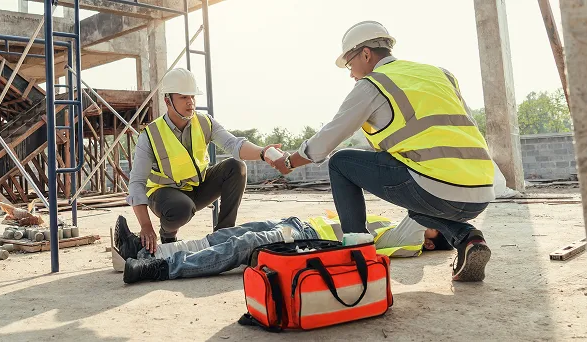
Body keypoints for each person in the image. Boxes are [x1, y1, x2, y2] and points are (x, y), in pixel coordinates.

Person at [268, 21, 494, 282]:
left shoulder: (373, 85)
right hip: (481, 189)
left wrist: (289, 161)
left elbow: (327, 139)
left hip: (435, 187)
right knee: (416, 205)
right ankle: (468, 238)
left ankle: (357, 250)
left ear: (366, 54)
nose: (352, 74)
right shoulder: (440, 73)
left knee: (340, 162)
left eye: (351, 64)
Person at [127, 68, 280, 254]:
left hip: (197, 187)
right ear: (168, 101)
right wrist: (145, 226)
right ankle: (168, 233)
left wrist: (263, 152)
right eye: (183, 97)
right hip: (165, 195)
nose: (190, 102)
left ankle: (223, 234)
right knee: (182, 208)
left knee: (236, 167)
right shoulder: (151, 135)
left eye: (192, 97)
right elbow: (136, 183)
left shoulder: (204, 122)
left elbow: (233, 144)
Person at [112, 213, 452, 284]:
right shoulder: (399, 232)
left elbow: (420, 212)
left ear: (431, 237)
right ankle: (144, 252)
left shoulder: (409, 241)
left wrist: (456, 226)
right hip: (300, 223)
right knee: (226, 235)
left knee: (242, 246)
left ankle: (158, 269)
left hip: (305, 243)